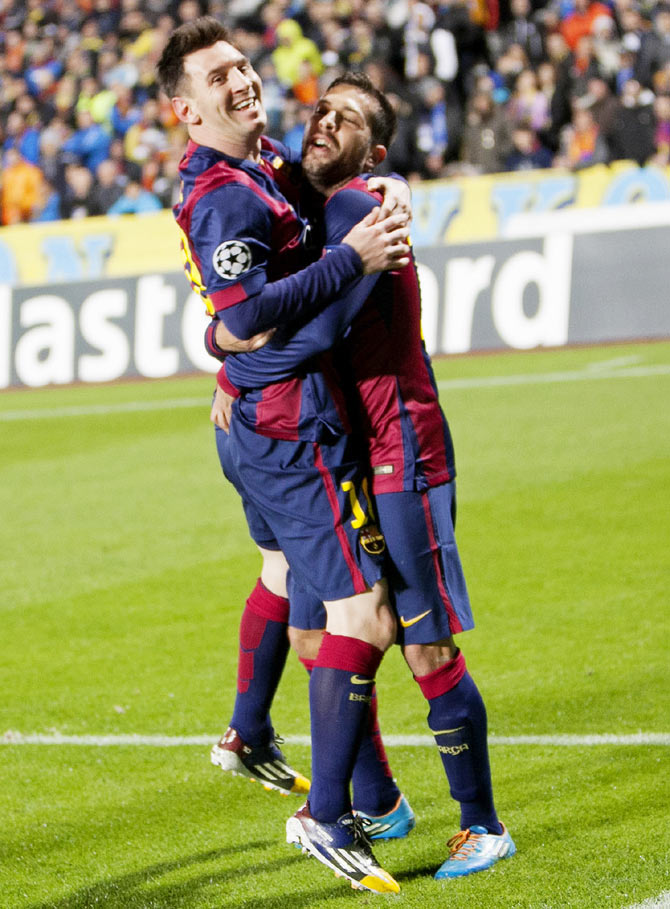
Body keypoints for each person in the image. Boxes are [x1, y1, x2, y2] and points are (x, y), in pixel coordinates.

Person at [210, 71, 516, 883]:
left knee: (422, 642)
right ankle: (377, 803)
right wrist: (228, 341)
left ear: (371, 153)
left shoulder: (358, 209)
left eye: (344, 120)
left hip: (399, 446)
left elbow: (319, 331)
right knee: (319, 634)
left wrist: (232, 356)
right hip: (340, 447)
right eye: (320, 110)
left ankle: (482, 825)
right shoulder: (310, 202)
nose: (322, 124)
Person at [157, 17, 411, 895]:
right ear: (187, 110)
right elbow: (246, 318)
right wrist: (351, 255)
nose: (242, 81)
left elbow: (230, 328)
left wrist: (389, 180)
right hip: (290, 431)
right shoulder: (225, 195)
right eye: (218, 77)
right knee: (366, 616)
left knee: (279, 573)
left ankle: (248, 733)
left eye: (242, 65)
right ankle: (330, 818)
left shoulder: (256, 165)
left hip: (254, 418)